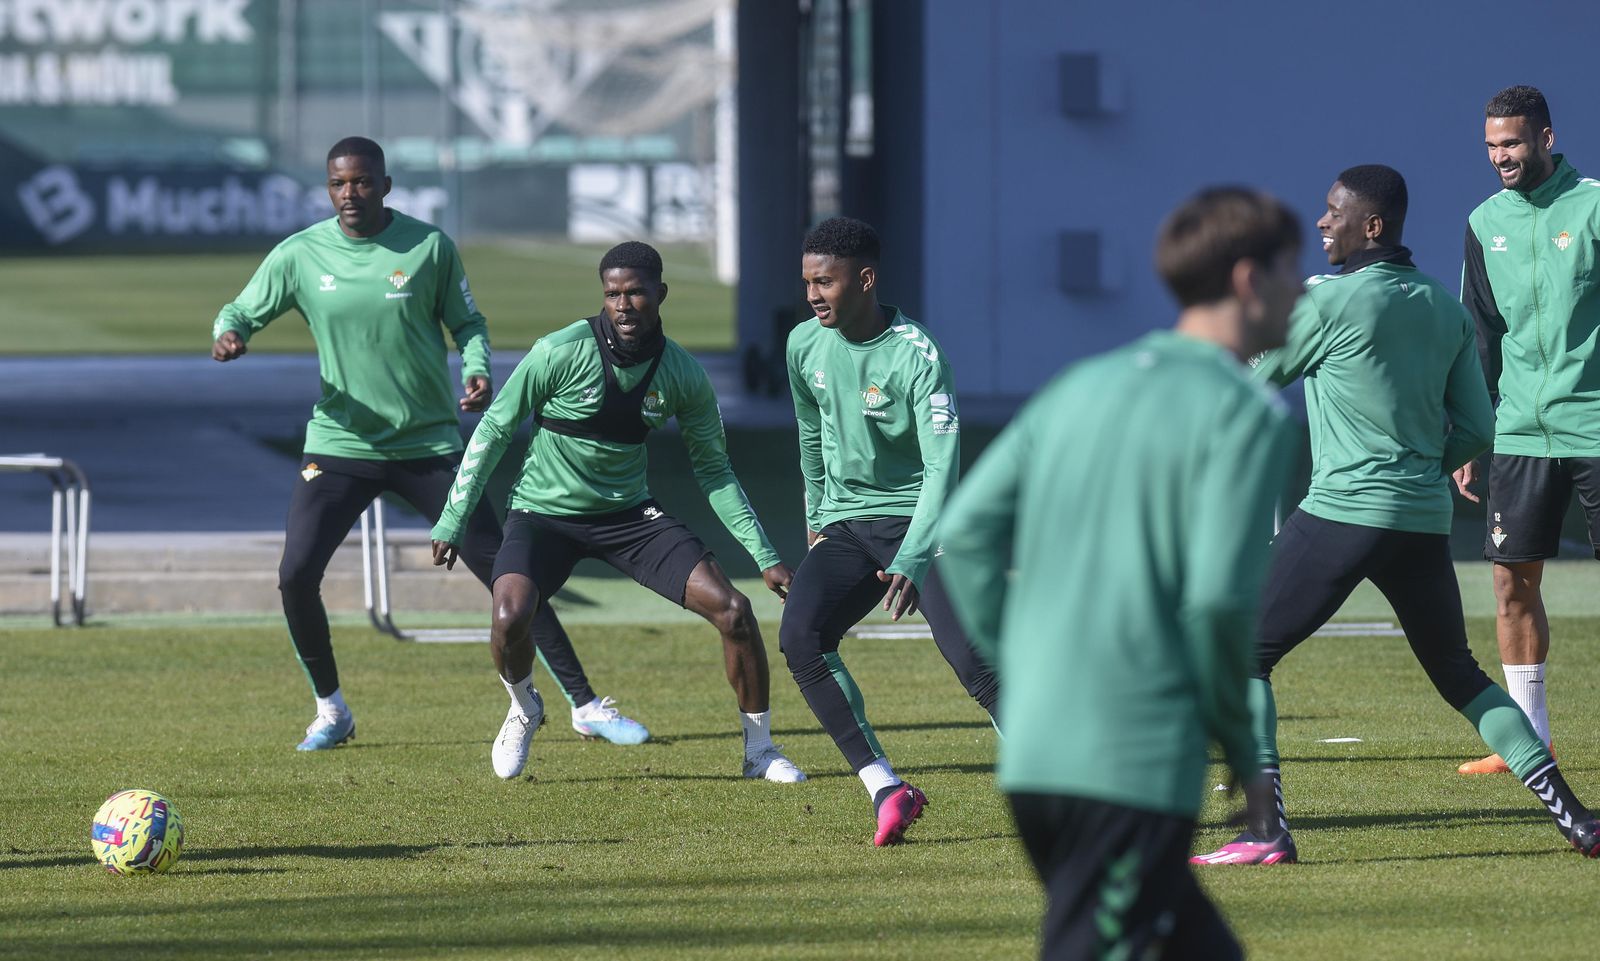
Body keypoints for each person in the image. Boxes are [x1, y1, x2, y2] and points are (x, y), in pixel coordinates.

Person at [1187, 165, 1600, 866]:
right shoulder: (1442, 306)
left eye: (1332, 212)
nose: (1322, 223)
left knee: (1241, 656)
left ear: (1370, 226)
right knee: (1459, 674)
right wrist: (1418, 472)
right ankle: (1580, 818)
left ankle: (1266, 832)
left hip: (1345, 511)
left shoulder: (1329, 303)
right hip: (1420, 518)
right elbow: (1475, 428)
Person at [938, 187, 1301, 960]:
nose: (1302, 292)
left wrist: (1026, 667)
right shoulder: (1246, 411)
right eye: (1292, 271)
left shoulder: (1081, 384)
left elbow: (964, 534)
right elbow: (1214, 601)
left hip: (1039, 753)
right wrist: (1244, 753)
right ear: (1249, 279)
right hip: (1127, 760)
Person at [210, 136, 641, 752]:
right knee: (295, 574)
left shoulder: (429, 247)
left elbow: (468, 324)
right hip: (340, 443)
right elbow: (240, 310)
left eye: (362, 182)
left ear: (385, 185)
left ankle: (585, 704)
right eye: (338, 183)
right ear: (327, 189)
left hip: (428, 446)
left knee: (507, 575)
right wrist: (229, 334)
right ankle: (331, 710)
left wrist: (477, 367)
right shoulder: (301, 254)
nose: (350, 193)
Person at [429, 241, 805, 784]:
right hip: (542, 515)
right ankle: (524, 707)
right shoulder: (558, 351)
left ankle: (760, 751)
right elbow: (493, 430)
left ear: (660, 294)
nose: (623, 305)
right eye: (612, 294)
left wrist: (766, 556)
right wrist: (452, 518)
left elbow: (715, 471)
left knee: (734, 611)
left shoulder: (682, 374)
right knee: (510, 617)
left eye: (635, 293)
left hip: (630, 519)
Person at [779, 216, 1000, 846]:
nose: (813, 294)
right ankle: (886, 788)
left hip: (929, 527)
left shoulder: (917, 355)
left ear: (866, 279)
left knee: (978, 668)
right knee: (801, 637)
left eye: (825, 282)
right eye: (808, 283)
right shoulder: (803, 346)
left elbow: (942, 471)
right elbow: (811, 437)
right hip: (849, 525)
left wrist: (914, 555)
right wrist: (818, 520)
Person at [1454, 85, 1600, 775]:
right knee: (1512, 582)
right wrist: (1470, 430)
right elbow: (1479, 331)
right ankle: (1528, 741)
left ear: (1545, 137)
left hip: (1595, 426)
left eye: (1511, 143)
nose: (1500, 157)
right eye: (1491, 146)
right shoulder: (1485, 222)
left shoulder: (1595, 205)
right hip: (1518, 432)